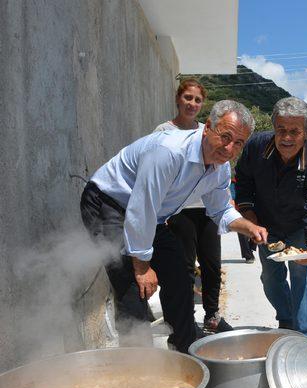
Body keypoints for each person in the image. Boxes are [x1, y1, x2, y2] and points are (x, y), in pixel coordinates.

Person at [80, 100, 267, 353]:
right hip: (108, 203)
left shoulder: (220, 167)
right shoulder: (168, 151)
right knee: (133, 285)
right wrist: (143, 265)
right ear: (208, 127)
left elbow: (220, 208)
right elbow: (140, 207)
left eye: (238, 143)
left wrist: (247, 226)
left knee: (180, 273)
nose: (229, 148)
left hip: (150, 216)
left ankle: (185, 350)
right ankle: (137, 365)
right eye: (225, 137)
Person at [235, 97, 307, 340]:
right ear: (274, 128)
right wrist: (250, 218)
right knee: (270, 278)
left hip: (300, 225)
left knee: (301, 274)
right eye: (281, 130)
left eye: (294, 131)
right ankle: (287, 319)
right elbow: (243, 182)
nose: (287, 138)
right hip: (266, 225)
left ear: (305, 133)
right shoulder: (256, 147)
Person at [154, 79, 233, 334]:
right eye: (188, 98)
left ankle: (212, 316)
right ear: (178, 99)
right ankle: (184, 319)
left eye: (197, 100)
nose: (192, 104)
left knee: (211, 264)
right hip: (180, 210)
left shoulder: (206, 131)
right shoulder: (163, 130)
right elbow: (156, 173)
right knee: (184, 266)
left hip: (207, 208)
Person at [230, 177, 256, 263]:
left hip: (255, 208)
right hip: (240, 209)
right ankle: (248, 255)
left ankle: (251, 248)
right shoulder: (234, 182)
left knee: (256, 228)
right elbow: (233, 196)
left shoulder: (255, 177)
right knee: (243, 233)